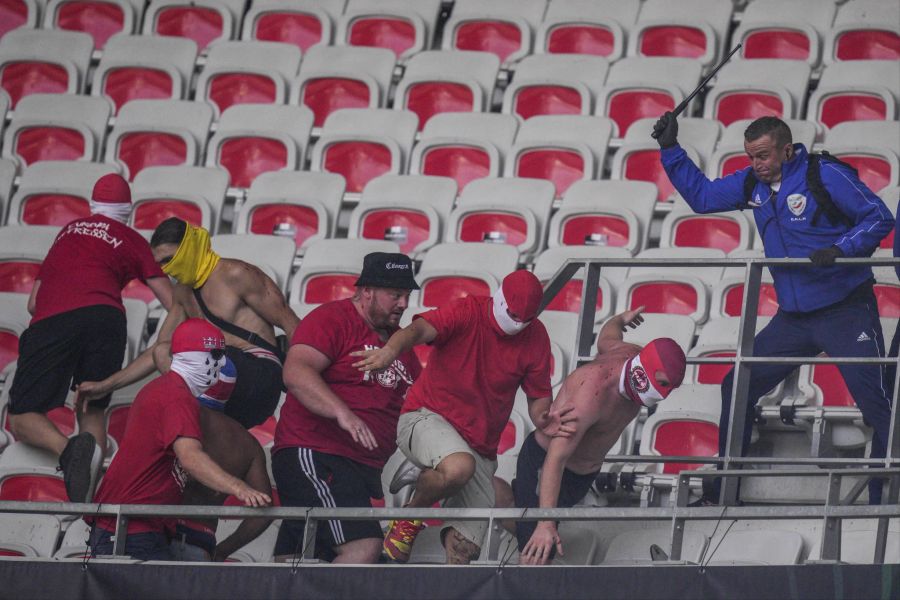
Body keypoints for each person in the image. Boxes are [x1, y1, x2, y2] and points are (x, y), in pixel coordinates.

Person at [653, 113, 894, 504]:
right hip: (793, 319)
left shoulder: (824, 174)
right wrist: (670, 150)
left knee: (881, 405)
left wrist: (842, 250)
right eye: (751, 157)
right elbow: (703, 198)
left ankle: (886, 502)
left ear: (786, 149)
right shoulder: (754, 183)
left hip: (845, 310)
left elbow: (879, 216)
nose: (757, 165)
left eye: (763, 155)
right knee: (738, 384)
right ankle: (725, 490)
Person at [353, 270, 575, 565]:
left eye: (527, 319)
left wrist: (543, 417)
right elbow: (419, 330)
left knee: (464, 551)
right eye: (513, 315)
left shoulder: (536, 337)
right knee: (458, 467)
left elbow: (538, 399)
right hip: (426, 416)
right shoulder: (468, 310)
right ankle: (410, 516)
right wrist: (390, 350)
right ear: (499, 300)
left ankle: (428, 477)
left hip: (480, 446)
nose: (519, 324)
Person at [7, 173, 173, 503]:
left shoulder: (66, 233)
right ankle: (86, 499)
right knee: (91, 407)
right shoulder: (133, 239)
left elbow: (33, 303)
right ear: (129, 209)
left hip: (55, 318)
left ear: (92, 205)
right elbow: (172, 300)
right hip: (107, 321)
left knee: (21, 417)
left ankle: (68, 450)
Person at [78, 217, 299, 429]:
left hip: (260, 374)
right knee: (163, 353)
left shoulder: (237, 274)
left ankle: (190, 417)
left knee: (181, 371)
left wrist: (304, 388)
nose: (165, 270)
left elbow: (292, 324)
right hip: (222, 381)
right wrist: (104, 386)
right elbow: (157, 351)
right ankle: (194, 421)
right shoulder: (183, 293)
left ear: (188, 247)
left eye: (169, 259)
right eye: (159, 263)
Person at [272, 252, 422, 564]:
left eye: (407, 296)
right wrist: (343, 413)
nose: (404, 304)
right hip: (317, 454)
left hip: (357, 471)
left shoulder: (399, 345)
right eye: (395, 295)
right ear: (367, 291)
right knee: (363, 548)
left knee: (299, 562)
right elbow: (296, 372)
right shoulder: (332, 318)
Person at [86, 319, 271, 560]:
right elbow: (190, 456)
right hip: (129, 527)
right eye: (215, 354)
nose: (220, 362)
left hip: (140, 525)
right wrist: (238, 488)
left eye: (222, 355)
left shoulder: (165, 389)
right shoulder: (177, 398)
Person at [514, 307, 687, 565]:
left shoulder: (629, 354)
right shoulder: (591, 394)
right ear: (643, 370)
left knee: (531, 529)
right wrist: (545, 523)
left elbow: (606, 337)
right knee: (538, 552)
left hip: (583, 475)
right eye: (661, 383)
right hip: (546, 467)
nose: (664, 394)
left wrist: (618, 320)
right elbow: (556, 458)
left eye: (670, 387)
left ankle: (506, 498)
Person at [170, 358, 275, 562]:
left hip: (158, 531)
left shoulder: (178, 418)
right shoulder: (247, 442)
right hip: (202, 539)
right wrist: (223, 550)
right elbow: (265, 510)